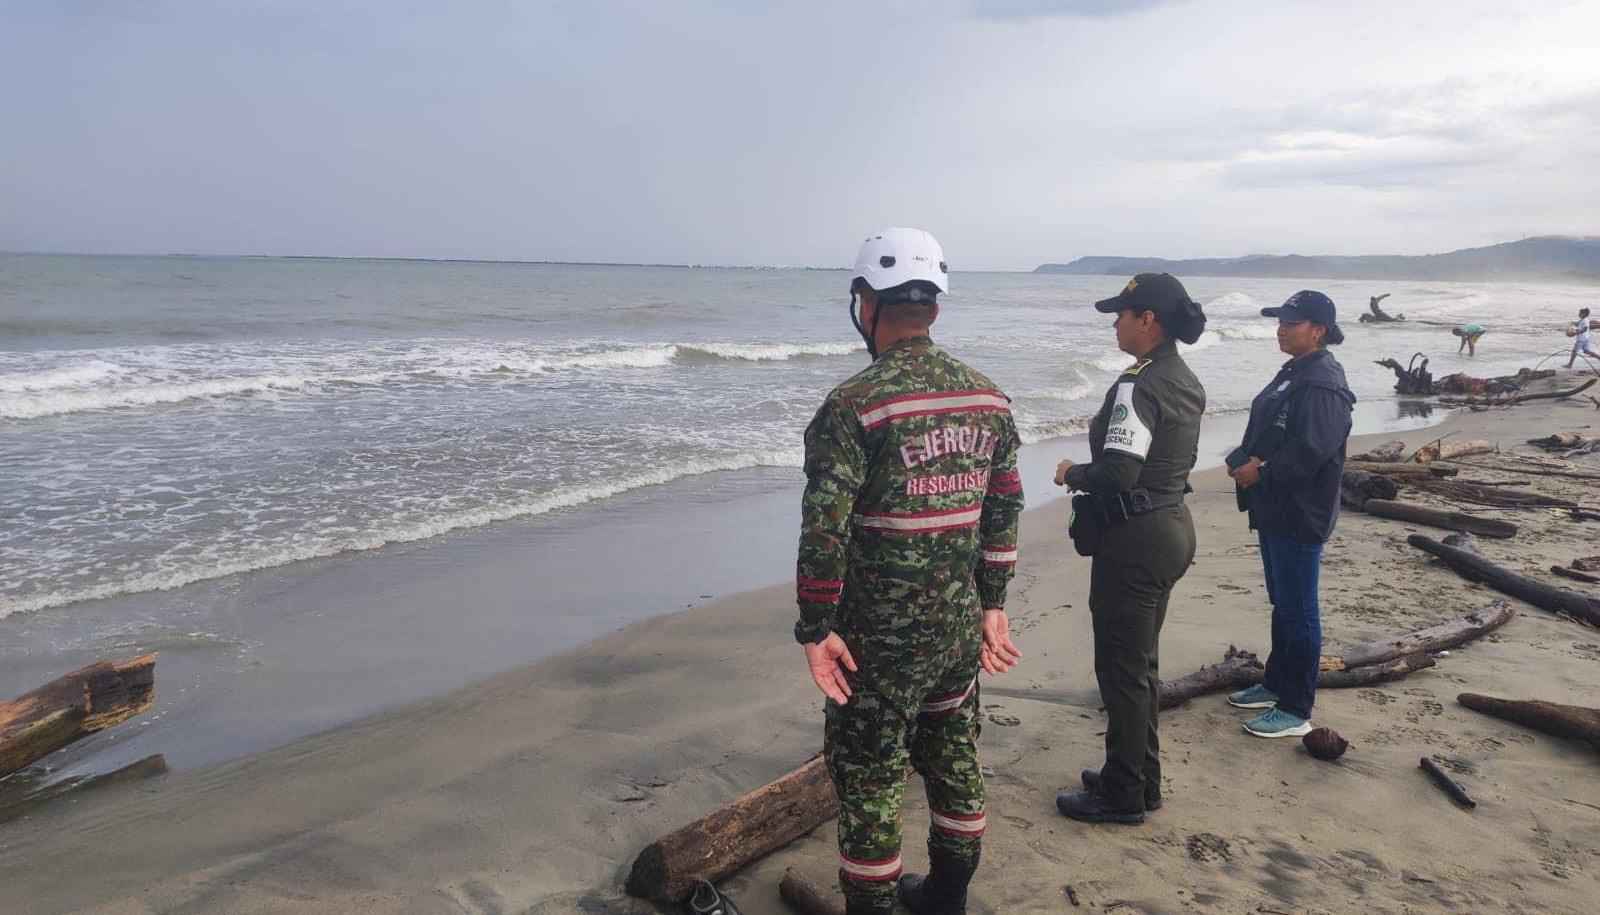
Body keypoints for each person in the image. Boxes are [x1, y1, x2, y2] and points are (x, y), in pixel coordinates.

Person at [795, 227, 1025, 914]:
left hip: (876, 641)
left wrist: (814, 627)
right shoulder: (988, 399)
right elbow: (1004, 509)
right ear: (935, 307)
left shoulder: (853, 405)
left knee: (869, 778)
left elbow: (822, 529)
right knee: (955, 752)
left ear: (867, 304)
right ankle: (948, 896)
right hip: (956, 630)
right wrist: (992, 604)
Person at [1051, 273, 1207, 824]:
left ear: (1149, 320)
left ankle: (1122, 794)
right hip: (1169, 526)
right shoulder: (1181, 377)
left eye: (1122, 314)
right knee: (1140, 664)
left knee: (1121, 669)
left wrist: (1074, 471)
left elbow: (1118, 472)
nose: (1114, 323)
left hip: (1136, 539)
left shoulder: (1137, 385)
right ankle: (1140, 778)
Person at [1225, 291, 1355, 738]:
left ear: (1318, 330)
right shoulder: (1297, 370)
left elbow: (1313, 449)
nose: (1281, 328)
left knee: (1299, 608)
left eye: (1292, 322)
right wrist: (1246, 459)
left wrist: (1262, 471)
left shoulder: (1323, 381)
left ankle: (1297, 706)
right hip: (1277, 506)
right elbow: (1278, 428)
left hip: (1300, 510)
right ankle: (1275, 682)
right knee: (1284, 603)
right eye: (1279, 320)